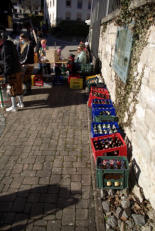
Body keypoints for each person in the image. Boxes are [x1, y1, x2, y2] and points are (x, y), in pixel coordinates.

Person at [0, 30, 24, 112]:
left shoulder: (5, 47)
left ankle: (14, 106)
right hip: (17, 69)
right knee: (19, 87)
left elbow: (7, 62)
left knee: (12, 88)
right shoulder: (11, 44)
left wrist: (6, 75)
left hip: (12, 71)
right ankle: (21, 103)